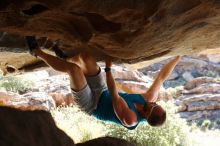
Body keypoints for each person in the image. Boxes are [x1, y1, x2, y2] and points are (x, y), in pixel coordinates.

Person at [25, 36, 181, 130]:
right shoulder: (148, 101)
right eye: (156, 104)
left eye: (153, 106)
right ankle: (65, 58)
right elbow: (161, 78)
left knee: (74, 70)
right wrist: (178, 57)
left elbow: (115, 95)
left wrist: (107, 68)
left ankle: (36, 51)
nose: (153, 103)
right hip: (102, 92)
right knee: (86, 58)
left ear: (147, 116)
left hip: (91, 105)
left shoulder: (131, 119)